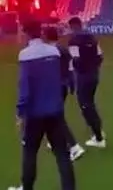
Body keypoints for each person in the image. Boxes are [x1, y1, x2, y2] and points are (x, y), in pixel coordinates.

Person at [7, 21, 76, 190]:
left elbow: (25, 87)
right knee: (62, 153)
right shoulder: (54, 51)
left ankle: (27, 187)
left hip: (35, 113)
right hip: (55, 110)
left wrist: (20, 113)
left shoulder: (25, 55)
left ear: (26, 33)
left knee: (30, 152)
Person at [42, 25, 86, 161]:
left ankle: (74, 147)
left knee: (57, 118)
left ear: (46, 36)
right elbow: (70, 68)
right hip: (63, 86)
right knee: (53, 116)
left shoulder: (50, 52)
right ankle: (54, 140)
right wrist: (72, 84)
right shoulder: (63, 49)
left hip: (54, 88)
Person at [67, 17, 106, 148]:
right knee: (90, 103)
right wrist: (93, 66)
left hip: (83, 76)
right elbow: (101, 56)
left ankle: (99, 138)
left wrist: (80, 70)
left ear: (72, 26)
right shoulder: (91, 37)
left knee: (85, 105)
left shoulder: (73, 40)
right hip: (94, 75)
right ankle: (97, 131)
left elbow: (76, 59)